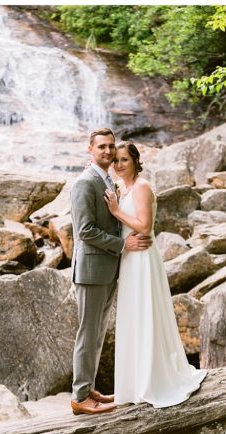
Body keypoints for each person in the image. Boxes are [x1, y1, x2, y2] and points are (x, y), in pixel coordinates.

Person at [104, 141, 207, 407]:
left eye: (124, 160)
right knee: (132, 316)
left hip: (142, 258)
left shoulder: (142, 186)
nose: (118, 164)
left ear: (136, 161)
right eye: (115, 160)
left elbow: (145, 225)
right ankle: (133, 383)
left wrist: (115, 211)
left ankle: (152, 380)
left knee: (146, 314)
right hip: (129, 256)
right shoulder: (121, 187)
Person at [70, 128, 152, 415]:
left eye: (111, 147)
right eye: (102, 147)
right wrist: (123, 244)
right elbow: (84, 231)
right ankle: (79, 398)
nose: (107, 152)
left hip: (106, 270)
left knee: (97, 335)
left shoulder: (106, 179)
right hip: (92, 270)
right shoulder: (85, 182)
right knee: (87, 334)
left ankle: (89, 387)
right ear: (90, 149)